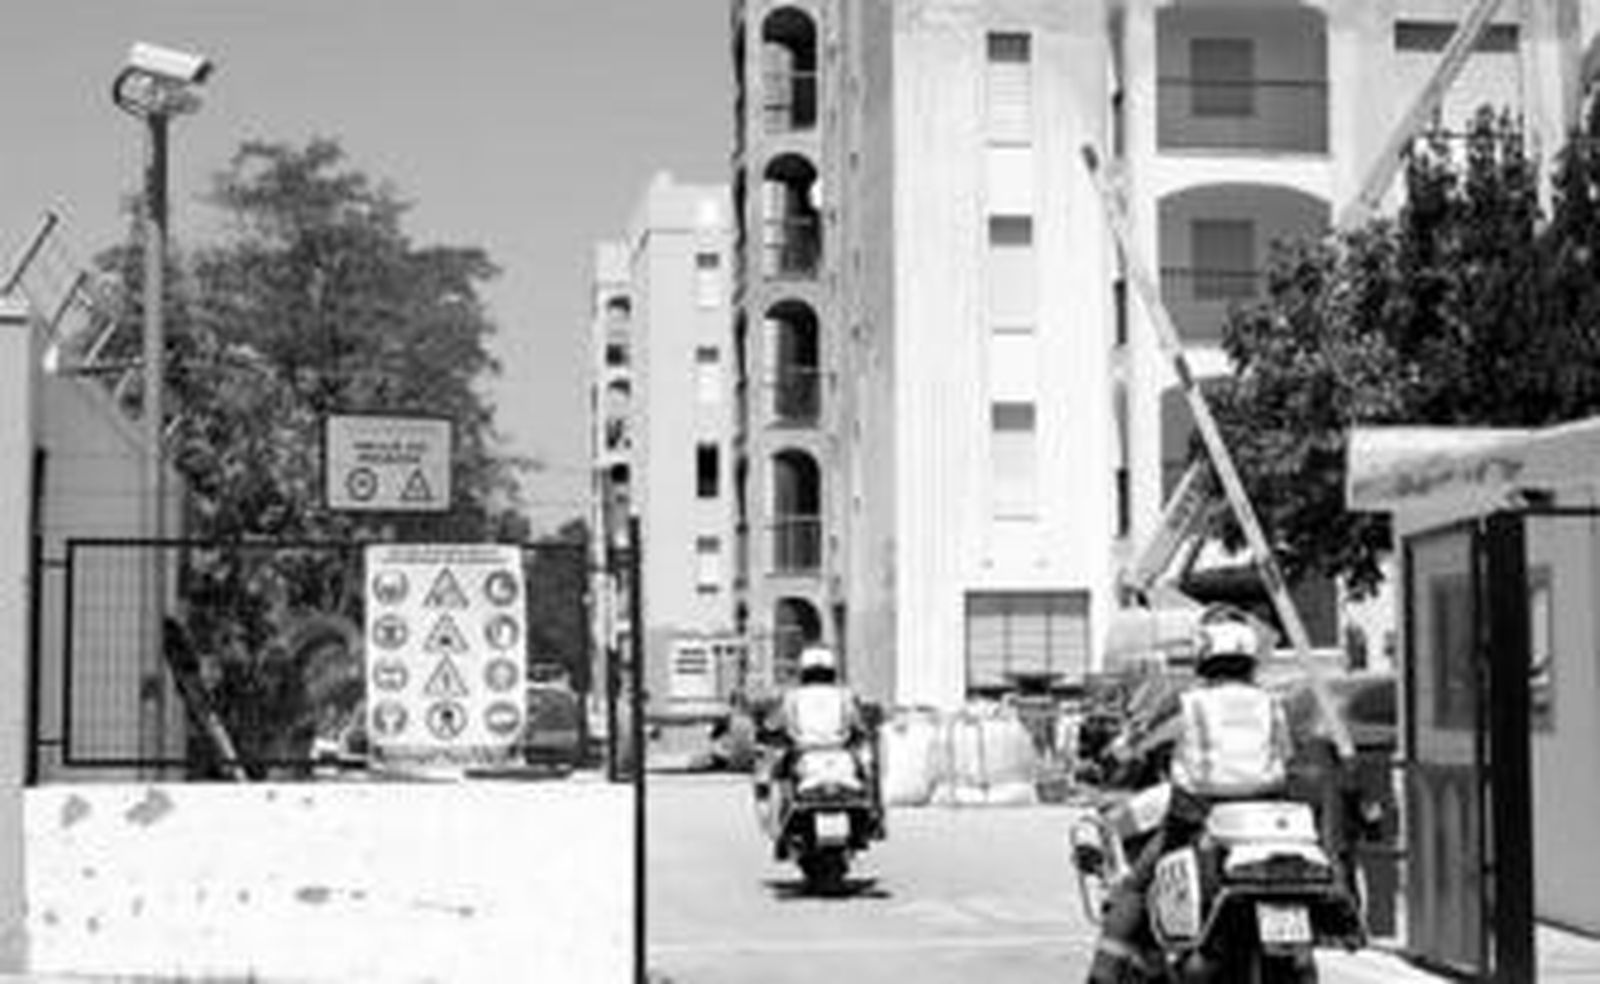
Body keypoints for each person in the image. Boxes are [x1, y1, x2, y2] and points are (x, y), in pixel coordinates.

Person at [1085, 610, 1293, 984]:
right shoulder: (1271, 703)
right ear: (1249, 658)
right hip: (1266, 817)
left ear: (1203, 656)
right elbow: (1285, 753)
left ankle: (1104, 972)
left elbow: (1135, 744)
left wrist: (1115, 754)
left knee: (1135, 885)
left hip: (1200, 815)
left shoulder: (1190, 703)